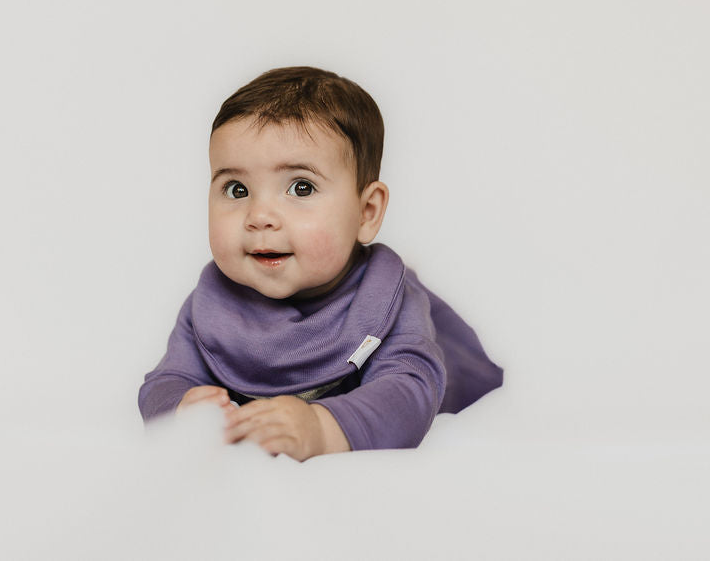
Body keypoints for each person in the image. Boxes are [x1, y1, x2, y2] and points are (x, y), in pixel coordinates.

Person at [138, 67, 503, 461]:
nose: (259, 216)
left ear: (366, 212)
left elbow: (409, 391)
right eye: (237, 189)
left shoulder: (386, 301)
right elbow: (165, 381)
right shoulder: (212, 305)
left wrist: (322, 428)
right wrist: (182, 408)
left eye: (301, 187)